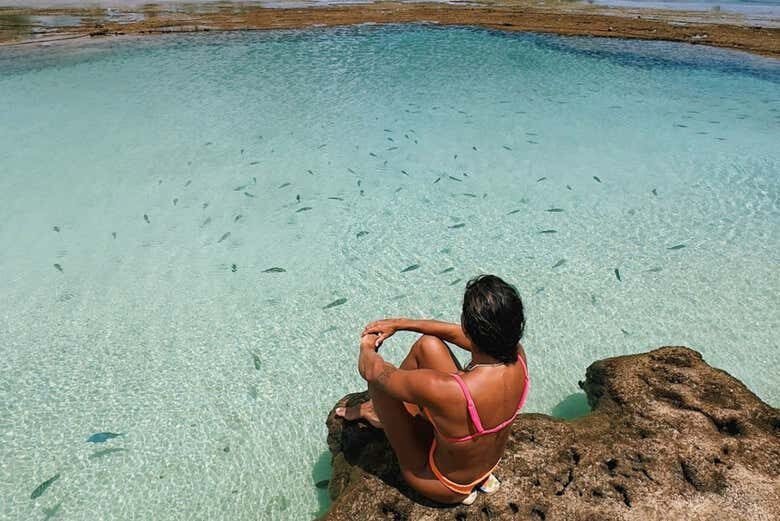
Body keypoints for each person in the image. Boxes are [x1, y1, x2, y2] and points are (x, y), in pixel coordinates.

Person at [335, 274, 530, 505]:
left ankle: (377, 412)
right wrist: (401, 323)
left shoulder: (449, 390)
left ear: (468, 328)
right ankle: (480, 479)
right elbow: (454, 333)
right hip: (484, 466)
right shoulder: (518, 356)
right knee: (428, 344)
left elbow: (372, 371)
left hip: (443, 483)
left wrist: (367, 347)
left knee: (381, 385)